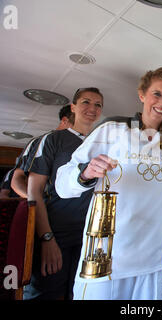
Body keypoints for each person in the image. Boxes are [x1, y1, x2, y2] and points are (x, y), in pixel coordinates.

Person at [55, 67, 162, 300]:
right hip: (107, 253)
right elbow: (62, 183)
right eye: (156, 94)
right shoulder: (112, 130)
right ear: (142, 95)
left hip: (154, 257)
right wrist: (85, 173)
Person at [24, 88, 103, 300]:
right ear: (73, 107)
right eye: (86, 102)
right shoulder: (53, 140)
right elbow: (33, 192)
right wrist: (47, 238)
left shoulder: (102, 144)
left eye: (98, 105)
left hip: (89, 239)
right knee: (45, 294)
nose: (92, 108)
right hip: (54, 233)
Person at [11, 104, 74, 198]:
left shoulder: (80, 145)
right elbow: (17, 179)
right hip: (47, 204)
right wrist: (36, 202)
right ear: (65, 120)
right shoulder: (39, 141)